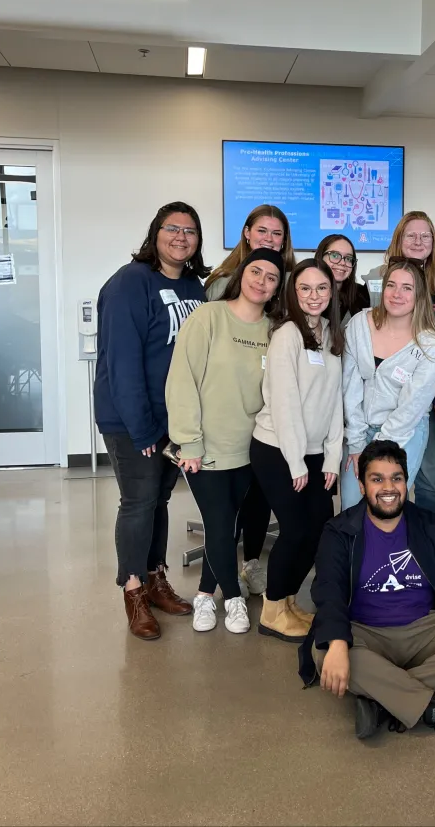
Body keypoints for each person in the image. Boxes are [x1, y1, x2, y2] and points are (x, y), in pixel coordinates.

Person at [298, 440, 435, 740]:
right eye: (377, 479)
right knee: (326, 650)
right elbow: (329, 592)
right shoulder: (340, 531)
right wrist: (340, 644)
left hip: (424, 627)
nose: (388, 487)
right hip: (364, 631)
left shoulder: (428, 525)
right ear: (362, 485)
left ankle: (383, 700)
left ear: (406, 482)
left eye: (396, 478)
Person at [94, 201, 208, 639]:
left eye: (190, 231)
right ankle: (134, 589)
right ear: (154, 234)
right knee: (139, 502)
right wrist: (142, 428)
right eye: (171, 228)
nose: (181, 237)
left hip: (172, 420)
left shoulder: (195, 288)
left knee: (160, 500)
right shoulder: (129, 284)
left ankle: (157, 576)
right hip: (131, 420)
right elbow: (121, 364)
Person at [165, 248, 284, 634]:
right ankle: (232, 599)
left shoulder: (275, 331)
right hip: (206, 448)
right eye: (256, 271)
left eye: (271, 277)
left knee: (229, 527)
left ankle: (203, 595)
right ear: (241, 273)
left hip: (252, 449)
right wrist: (189, 443)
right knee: (218, 526)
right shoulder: (208, 318)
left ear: (277, 288)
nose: (261, 281)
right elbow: (181, 382)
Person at [250, 258, 344, 642]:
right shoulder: (287, 334)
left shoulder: (330, 334)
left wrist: (333, 457)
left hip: (317, 454)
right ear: (293, 292)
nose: (314, 295)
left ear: (331, 291)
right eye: (304, 288)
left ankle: (288, 601)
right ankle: (272, 610)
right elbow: (286, 403)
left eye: (321, 288)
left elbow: (334, 401)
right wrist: (295, 462)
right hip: (278, 450)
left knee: (319, 530)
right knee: (294, 530)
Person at [204, 205, 295, 599]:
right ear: (246, 233)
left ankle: (250, 564)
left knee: (256, 495)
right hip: (222, 420)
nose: (270, 240)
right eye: (263, 231)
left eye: (278, 234)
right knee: (226, 510)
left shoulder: (288, 285)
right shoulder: (220, 285)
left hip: (266, 414)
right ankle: (219, 583)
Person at [342, 260, 435, 509]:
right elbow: (349, 387)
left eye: (407, 288)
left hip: (404, 434)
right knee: (351, 506)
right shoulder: (359, 324)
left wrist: (379, 449)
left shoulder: (430, 345)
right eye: (391, 285)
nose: (397, 294)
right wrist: (356, 442)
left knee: (384, 508)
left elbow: (411, 408)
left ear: (419, 295)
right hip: (358, 428)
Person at [316, 234, 370, 327]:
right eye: (335, 255)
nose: (342, 263)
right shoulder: (306, 293)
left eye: (348, 258)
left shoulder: (362, 294)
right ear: (320, 257)